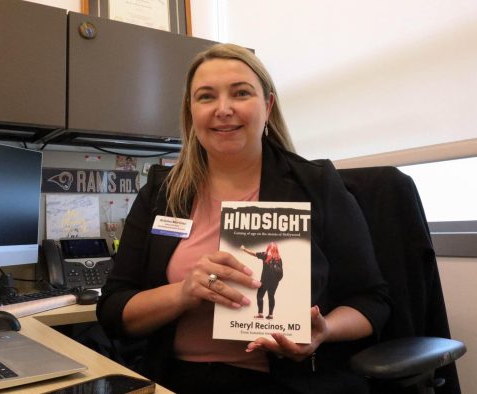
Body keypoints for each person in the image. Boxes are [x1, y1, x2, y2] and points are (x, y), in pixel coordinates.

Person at [97, 43, 390, 394]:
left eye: (241, 93)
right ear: (191, 112)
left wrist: (324, 329)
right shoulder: (162, 193)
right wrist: (184, 292)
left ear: (267, 106)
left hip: (286, 382)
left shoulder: (316, 184)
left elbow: (373, 301)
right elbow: (113, 309)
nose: (224, 109)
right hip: (174, 380)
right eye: (206, 97)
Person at [241, 243, 283, 320]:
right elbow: (281, 272)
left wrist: (244, 249)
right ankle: (270, 315)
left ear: (268, 248)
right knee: (271, 297)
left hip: (264, 281)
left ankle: (260, 314)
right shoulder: (279, 258)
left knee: (260, 296)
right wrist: (277, 280)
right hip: (274, 282)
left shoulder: (265, 255)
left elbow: (254, 254)